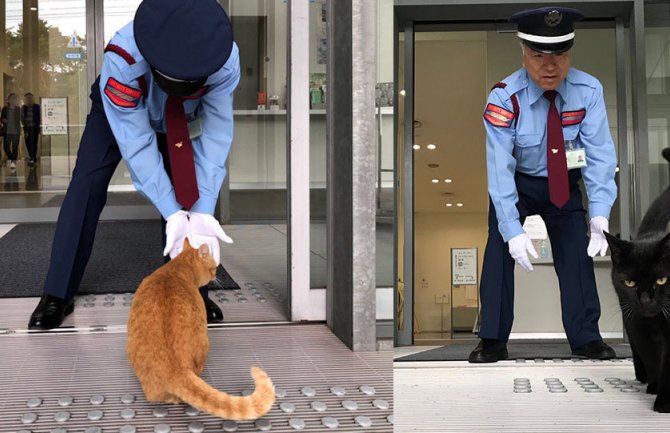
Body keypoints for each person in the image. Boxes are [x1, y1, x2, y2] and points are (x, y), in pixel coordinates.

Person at [28, 0, 240, 330]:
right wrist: (171, 212)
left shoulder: (222, 58)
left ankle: (191, 290)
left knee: (189, 190)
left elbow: (215, 136)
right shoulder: (123, 58)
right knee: (86, 186)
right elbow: (137, 145)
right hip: (120, 110)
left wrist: (201, 212)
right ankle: (57, 292)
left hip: (181, 116)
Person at [468, 7, 618, 363]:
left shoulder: (588, 90)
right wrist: (511, 228)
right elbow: (499, 169)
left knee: (576, 254)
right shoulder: (504, 98)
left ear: (570, 54)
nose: (550, 66)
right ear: (523, 52)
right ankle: (491, 338)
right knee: (499, 250)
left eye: (560, 55)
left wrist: (600, 212)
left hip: (563, 182)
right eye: (538, 55)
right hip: (517, 184)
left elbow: (599, 155)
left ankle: (586, 338)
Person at [1, 93, 22, 169]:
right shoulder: (4, 109)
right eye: (12, 98)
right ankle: (12, 158)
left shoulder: (18, 109)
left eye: (15, 99)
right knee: (6, 147)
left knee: (15, 147)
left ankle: (13, 163)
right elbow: (2, 118)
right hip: (7, 131)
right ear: (9, 100)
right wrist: (3, 120)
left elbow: (21, 119)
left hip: (16, 131)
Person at [21, 93, 41, 167]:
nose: (29, 100)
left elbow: (40, 117)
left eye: (30, 98)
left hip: (34, 127)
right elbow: (22, 118)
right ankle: (32, 157)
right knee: (27, 143)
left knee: (33, 143)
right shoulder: (24, 108)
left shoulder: (37, 107)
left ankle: (32, 158)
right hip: (27, 128)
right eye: (27, 98)